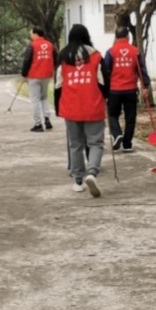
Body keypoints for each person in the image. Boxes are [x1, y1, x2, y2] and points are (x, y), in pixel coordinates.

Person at [55, 24, 110, 197]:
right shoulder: (96, 57)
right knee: (96, 143)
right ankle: (92, 173)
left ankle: (78, 181)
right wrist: (106, 98)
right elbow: (104, 83)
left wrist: (58, 108)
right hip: (93, 105)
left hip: (70, 107)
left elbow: (58, 85)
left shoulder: (63, 57)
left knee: (75, 144)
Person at [103, 26, 150, 152]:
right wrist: (145, 86)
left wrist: (105, 89)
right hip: (130, 89)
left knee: (112, 114)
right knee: (130, 117)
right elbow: (141, 70)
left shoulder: (111, 52)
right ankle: (127, 143)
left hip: (114, 90)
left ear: (116, 37)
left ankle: (117, 133)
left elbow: (105, 71)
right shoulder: (135, 51)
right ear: (128, 37)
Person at [21, 26, 58, 132]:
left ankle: (38, 124)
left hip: (34, 75)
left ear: (36, 34)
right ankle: (47, 119)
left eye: (31, 33)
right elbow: (56, 58)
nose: (31, 35)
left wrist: (24, 73)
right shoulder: (50, 45)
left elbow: (27, 60)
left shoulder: (32, 45)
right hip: (47, 75)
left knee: (35, 99)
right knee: (44, 97)